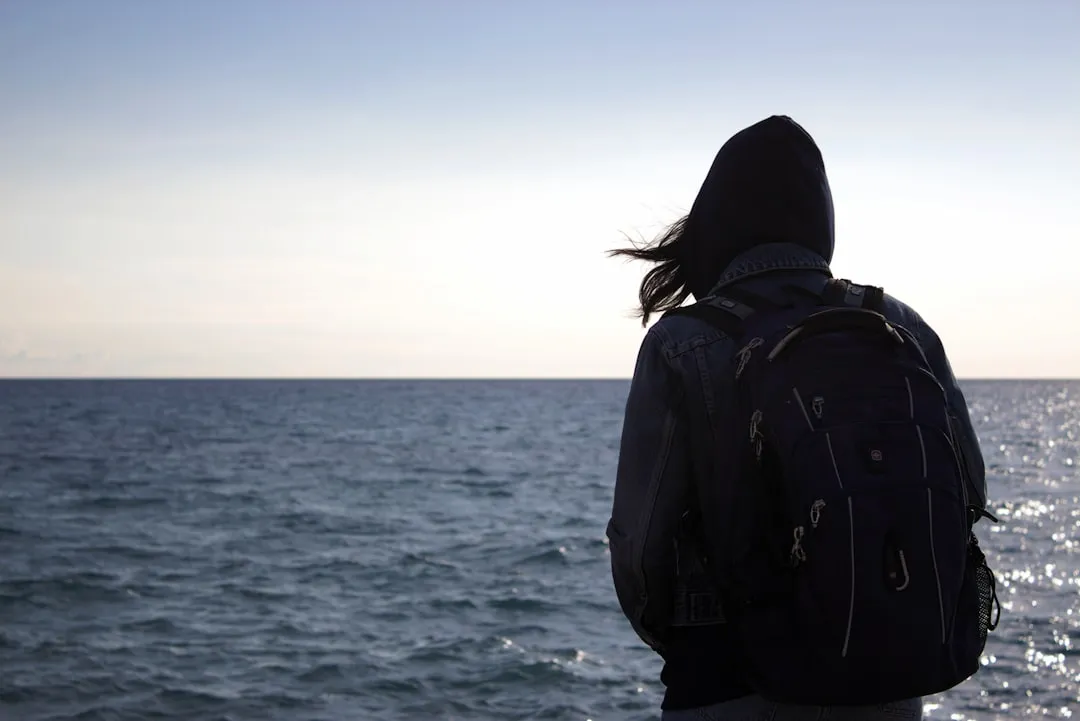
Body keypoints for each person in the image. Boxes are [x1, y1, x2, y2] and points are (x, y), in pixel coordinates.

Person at [606, 115, 991, 720]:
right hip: (881, 677)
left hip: (726, 678)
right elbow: (967, 491)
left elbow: (641, 543)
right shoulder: (899, 325)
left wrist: (685, 640)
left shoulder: (684, 342)